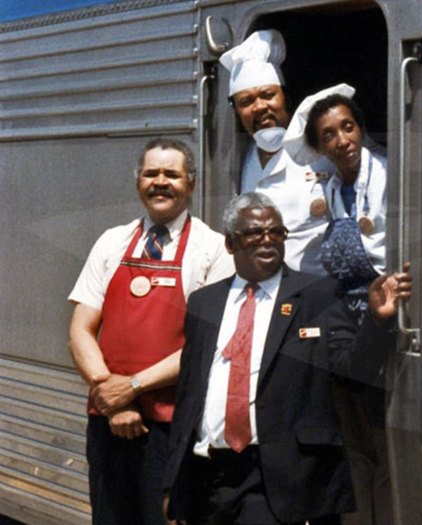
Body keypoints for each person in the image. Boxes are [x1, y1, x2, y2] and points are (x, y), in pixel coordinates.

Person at [163, 192, 412, 525]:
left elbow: (351, 371)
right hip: (209, 477)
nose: (267, 241)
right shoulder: (204, 303)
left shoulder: (317, 295)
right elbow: (189, 395)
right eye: (254, 233)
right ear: (231, 244)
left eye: (276, 232)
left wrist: (377, 321)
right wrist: (172, 484)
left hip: (280, 479)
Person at [67, 138, 235, 525]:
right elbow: (81, 328)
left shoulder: (212, 250)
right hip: (108, 419)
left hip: (173, 426)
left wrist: (134, 387)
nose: (161, 182)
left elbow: (206, 345)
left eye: (171, 174)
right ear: (139, 182)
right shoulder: (112, 241)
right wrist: (110, 396)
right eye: (151, 173)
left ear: (191, 184)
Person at [284, 86, 390, 525]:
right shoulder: (332, 187)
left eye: (348, 127)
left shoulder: (384, 174)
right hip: (346, 317)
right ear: (321, 146)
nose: (342, 140)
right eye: (329, 134)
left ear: (361, 129)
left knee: (383, 438)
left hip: (384, 314)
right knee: (353, 440)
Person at [219, 29, 333, 275]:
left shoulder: (323, 150)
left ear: (286, 98)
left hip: (316, 297)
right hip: (260, 291)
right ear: (237, 111)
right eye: (246, 102)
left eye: (268, 95)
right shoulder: (239, 159)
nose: (259, 107)